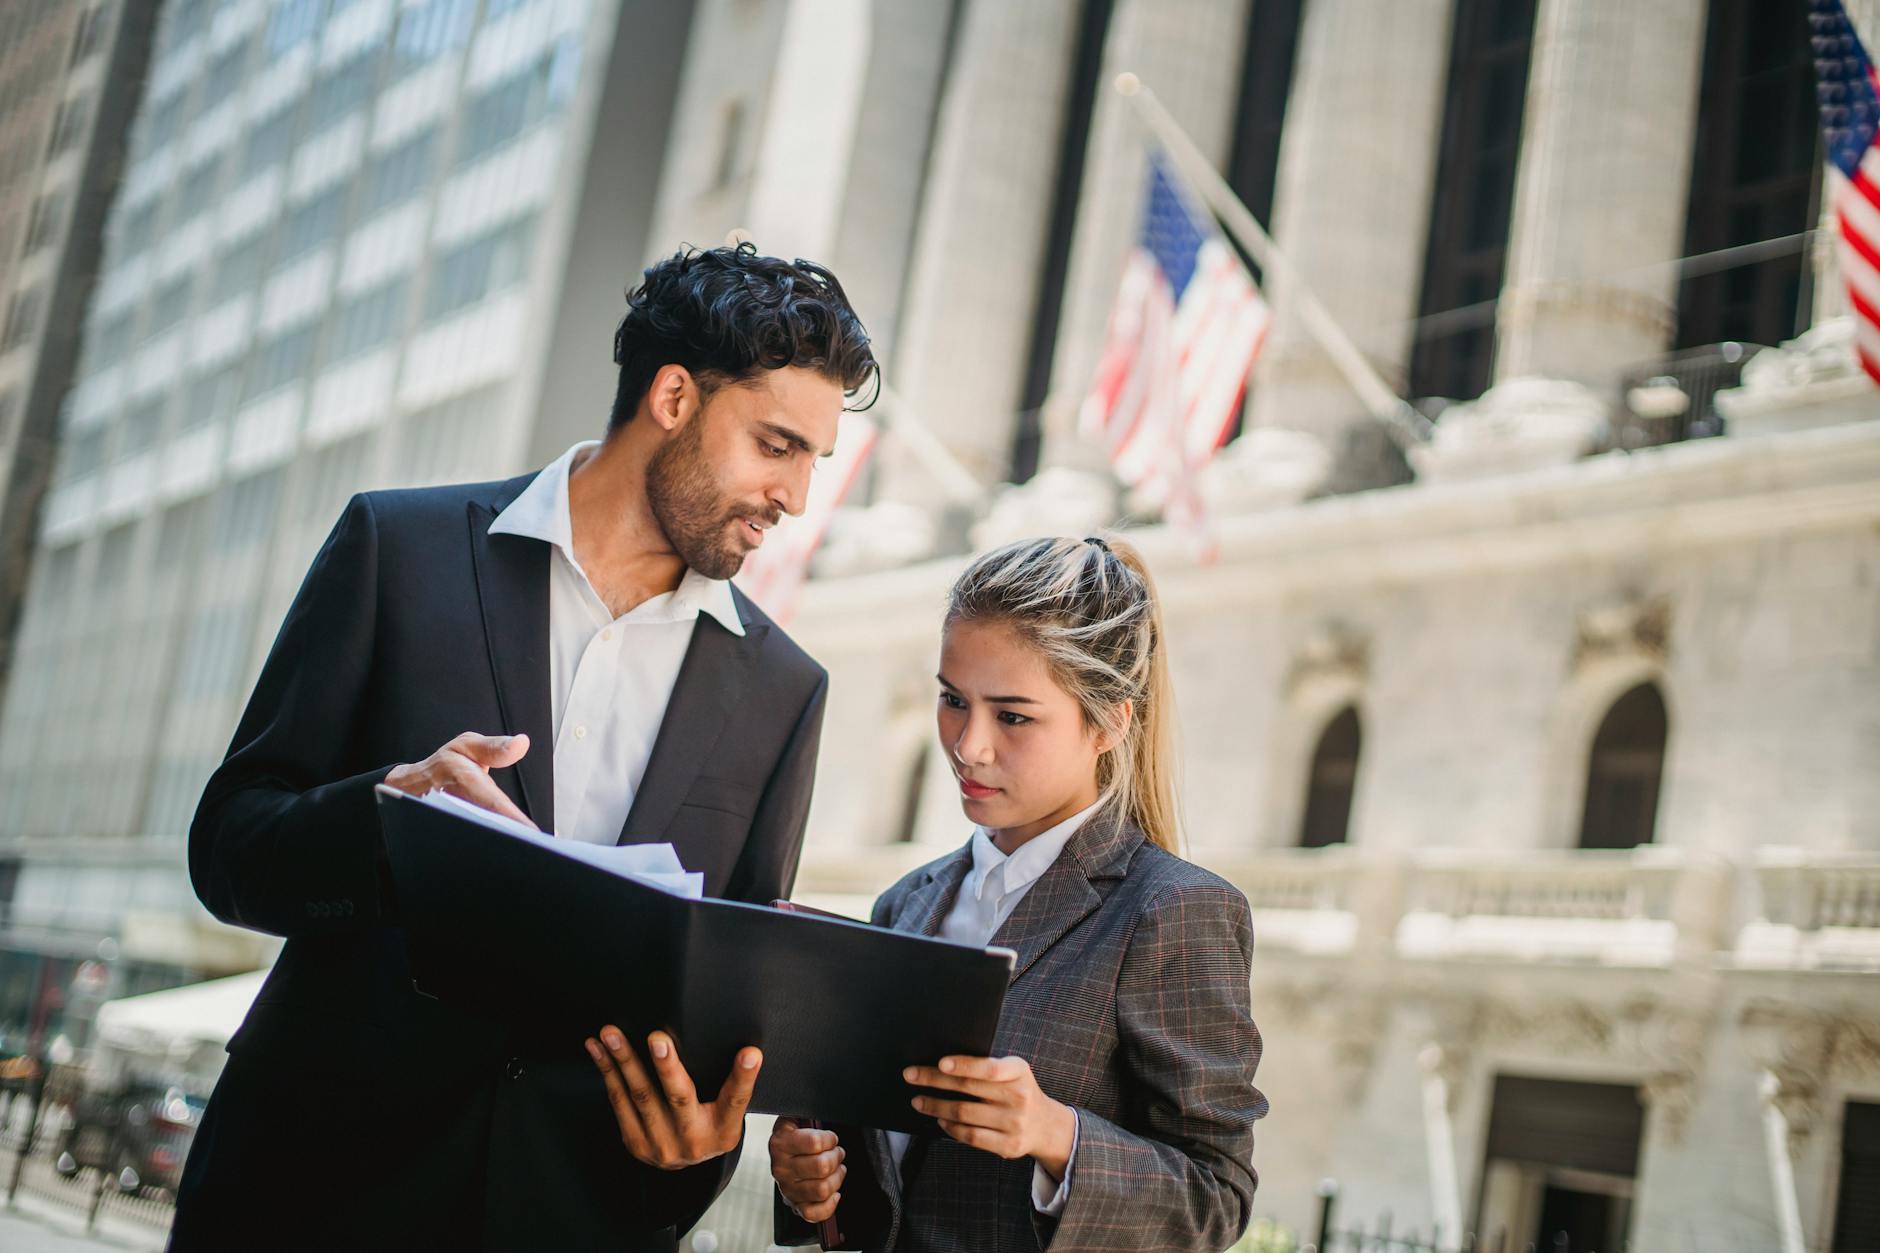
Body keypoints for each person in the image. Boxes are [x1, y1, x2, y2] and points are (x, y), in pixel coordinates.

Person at [172, 244, 877, 1252]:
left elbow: (722, 998)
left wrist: (701, 1143)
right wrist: (388, 814)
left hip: (573, 1212)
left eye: (812, 456)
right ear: (673, 396)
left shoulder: (782, 690)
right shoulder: (397, 550)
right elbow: (228, 850)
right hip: (307, 1187)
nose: (795, 494)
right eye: (776, 444)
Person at [758, 535, 1267, 1252]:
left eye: (1013, 715)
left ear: (1110, 720)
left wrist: (1055, 1134)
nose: (968, 745)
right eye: (951, 699)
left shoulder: (1172, 910)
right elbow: (878, 1180)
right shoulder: (904, 903)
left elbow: (1215, 1200)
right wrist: (812, 1181)